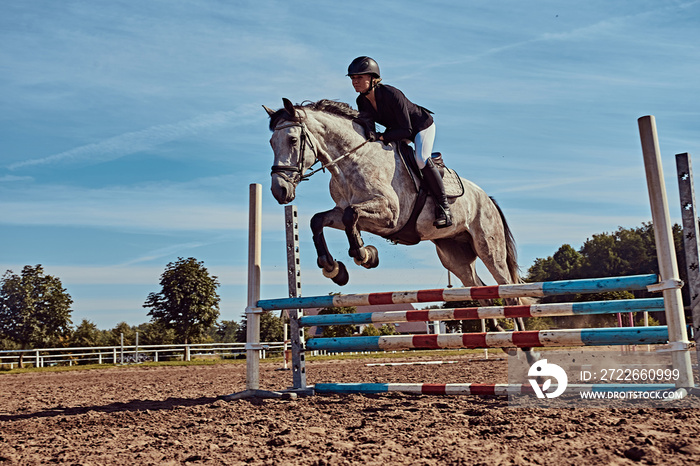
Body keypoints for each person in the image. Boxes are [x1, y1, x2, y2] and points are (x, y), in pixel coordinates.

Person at [347, 56, 452, 228]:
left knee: (421, 159)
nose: (354, 82)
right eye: (352, 78)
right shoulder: (361, 101)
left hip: (420, 127)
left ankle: (444, 208)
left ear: (373, 78)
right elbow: (370, 127)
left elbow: (407, 130)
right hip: (397, 129)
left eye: (359, 77)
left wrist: (382, 137)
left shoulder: (391, 93)